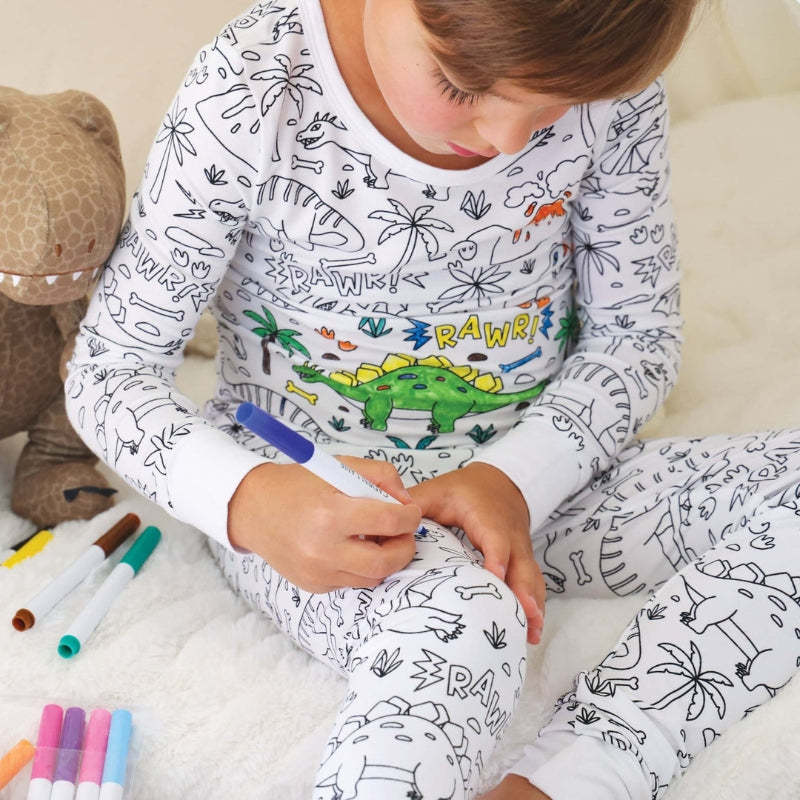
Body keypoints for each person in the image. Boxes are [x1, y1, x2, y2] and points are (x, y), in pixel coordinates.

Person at [64, 0, 800, 798]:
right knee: (468, 617)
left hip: (541, 486)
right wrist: (251, 502)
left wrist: (514, 480)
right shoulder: (250, 87)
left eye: (552, 108)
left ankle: (571, 779)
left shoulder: (607, 82)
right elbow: (110, 373)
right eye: (460, 86)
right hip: (327, 512)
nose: (510, 140)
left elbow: (637, 338)